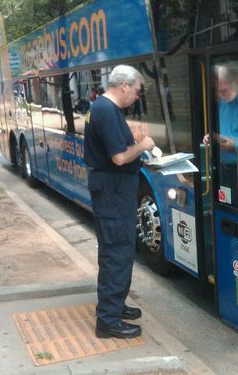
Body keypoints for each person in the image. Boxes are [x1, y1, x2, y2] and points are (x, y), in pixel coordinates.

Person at [83, 65, 155, 339]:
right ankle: (108, 321)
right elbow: (119, 158)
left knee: (118, 251)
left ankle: (115, 305)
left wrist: (131, 143)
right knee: (117, 254)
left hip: (113, 192)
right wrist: (144, 145)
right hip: (113, 193)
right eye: (136, 91)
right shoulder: (106, 111)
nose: (136, 97)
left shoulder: (100, 107)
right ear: (123, 85)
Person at [203, 63, 238, 206]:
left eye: (223, 88)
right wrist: (211, 137)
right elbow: (221, 131)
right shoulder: (222, 102)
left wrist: (235, 145)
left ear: (237, 82)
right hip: (221, 169)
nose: (220, 93)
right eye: (218, 87)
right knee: (226, 208)